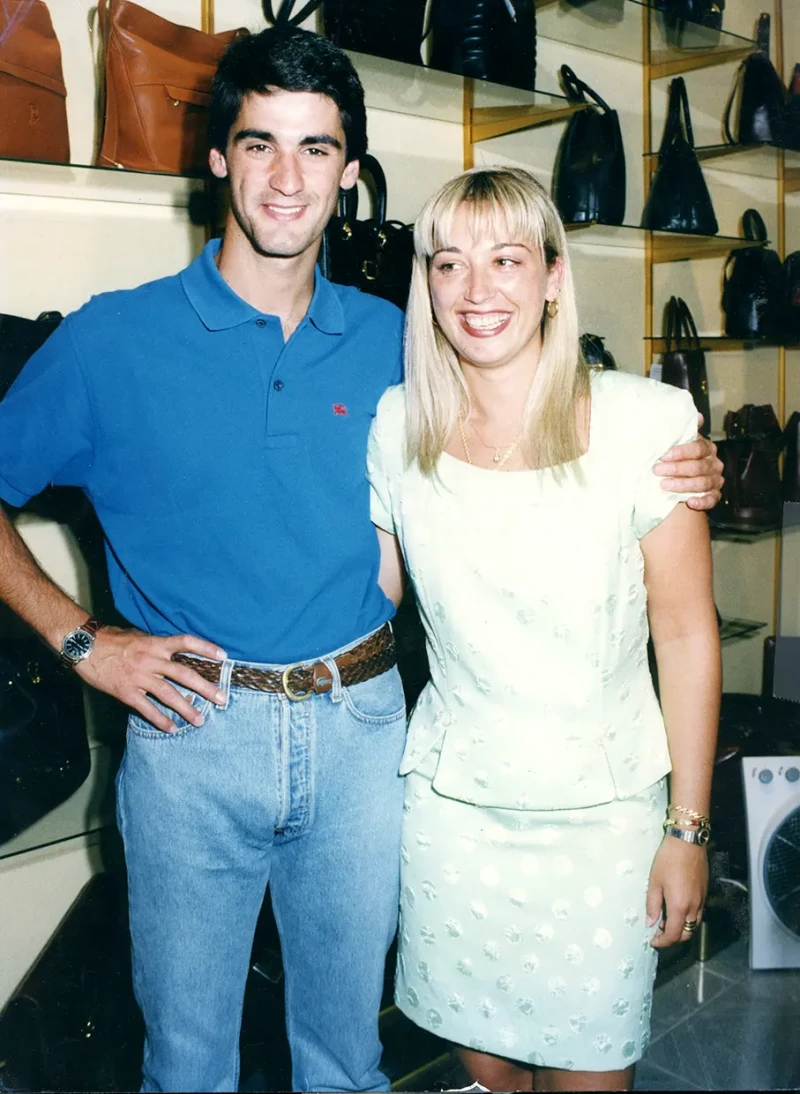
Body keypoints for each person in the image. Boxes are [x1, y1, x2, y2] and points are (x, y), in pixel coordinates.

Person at [0, 28, 721, 1094]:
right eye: (259, 144)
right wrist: (82, 639)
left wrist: (671, 457)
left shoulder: (400, 338)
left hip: (362, 733)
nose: (286, 178)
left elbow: (529, 400)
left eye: (315, 149)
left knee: (347, 1059)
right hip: (192, 733)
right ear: (217, 158)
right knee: (187, 1063)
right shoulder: (113, 340)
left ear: (349, 171)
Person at [367, 166, 721, 1093]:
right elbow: (365, 597)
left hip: (605, 821)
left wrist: (689, 828)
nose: (476, 291)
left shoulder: (647, 424)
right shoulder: (397, 426)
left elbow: (686, 637)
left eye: (507, 260)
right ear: (426, 281)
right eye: (449, 263)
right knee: (484, 1077)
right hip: (452, 815)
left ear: (555, 277)